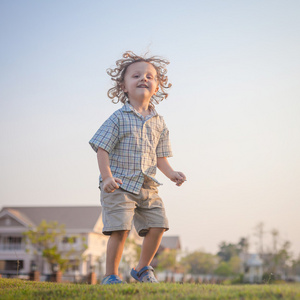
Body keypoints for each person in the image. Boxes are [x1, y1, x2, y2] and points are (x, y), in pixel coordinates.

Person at [89, 51, 186, 284]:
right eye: (136, 75)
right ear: (123, 86)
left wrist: (172, 173)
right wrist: (107, 177)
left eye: (149, 76)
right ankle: (110, 276)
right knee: (120, 229)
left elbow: (160, 156)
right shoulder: (117, 118)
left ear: (157, 86)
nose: (143, 78)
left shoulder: (159, 122)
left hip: (147, 186)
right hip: (119, 185)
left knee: (159, 224)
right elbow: (102, 148)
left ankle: (142, 268)